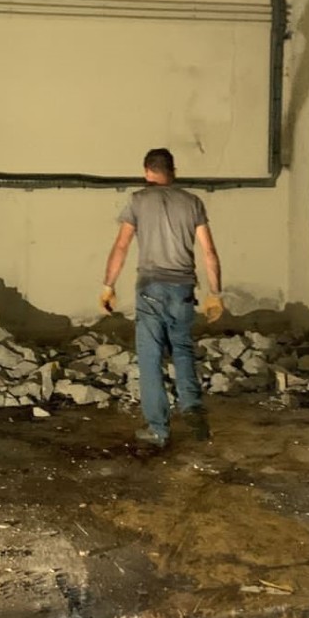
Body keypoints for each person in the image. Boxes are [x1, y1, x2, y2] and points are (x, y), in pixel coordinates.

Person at [100, 147, 224, 447]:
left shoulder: (138, 201)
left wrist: (108, 286)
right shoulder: (192, 202)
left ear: (147, 171)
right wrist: (215, 293)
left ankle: (158, 428)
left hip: (151, 289)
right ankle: (192, 406)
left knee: (151, 358)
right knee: (182, 349)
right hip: (183, 290)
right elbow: (208, 251)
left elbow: (121, 246)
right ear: (173, 172)